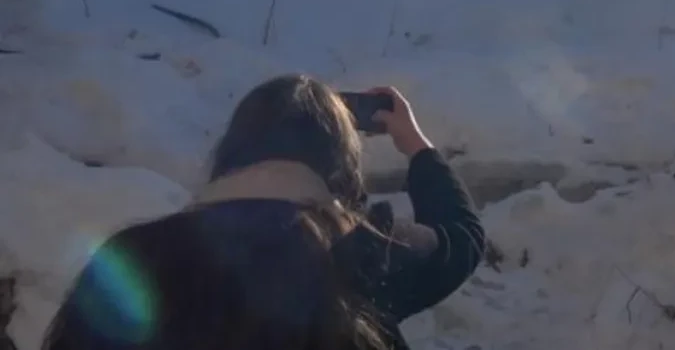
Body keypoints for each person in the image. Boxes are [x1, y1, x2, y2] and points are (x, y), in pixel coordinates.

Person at [41, 75, 485, 350]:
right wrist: (416, 145)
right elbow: (461, 236)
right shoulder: (366, 250)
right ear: (341, 165)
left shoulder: (135, 255)